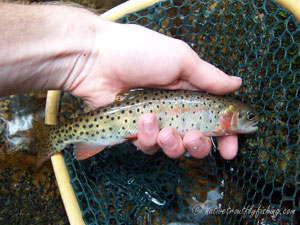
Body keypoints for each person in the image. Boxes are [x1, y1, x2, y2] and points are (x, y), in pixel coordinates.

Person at [0, 2, 242, 160]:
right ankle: (59, 135)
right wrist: (87, 53)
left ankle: (61, 135)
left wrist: (87, 53)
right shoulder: (219, 115)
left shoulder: (219, 116)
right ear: (230, 114)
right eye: (247, 117)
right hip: (123, 111)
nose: (249, 121)